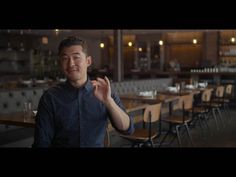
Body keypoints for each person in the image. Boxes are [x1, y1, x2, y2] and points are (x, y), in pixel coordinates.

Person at [33, 36, 134, 147]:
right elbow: (41, 142)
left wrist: (109, 102)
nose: (71, 64)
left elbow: (127, 129)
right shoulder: (50, 97)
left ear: (88, 61)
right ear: (60, 63)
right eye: (65, 58)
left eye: (76, 57)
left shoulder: (104, 92)